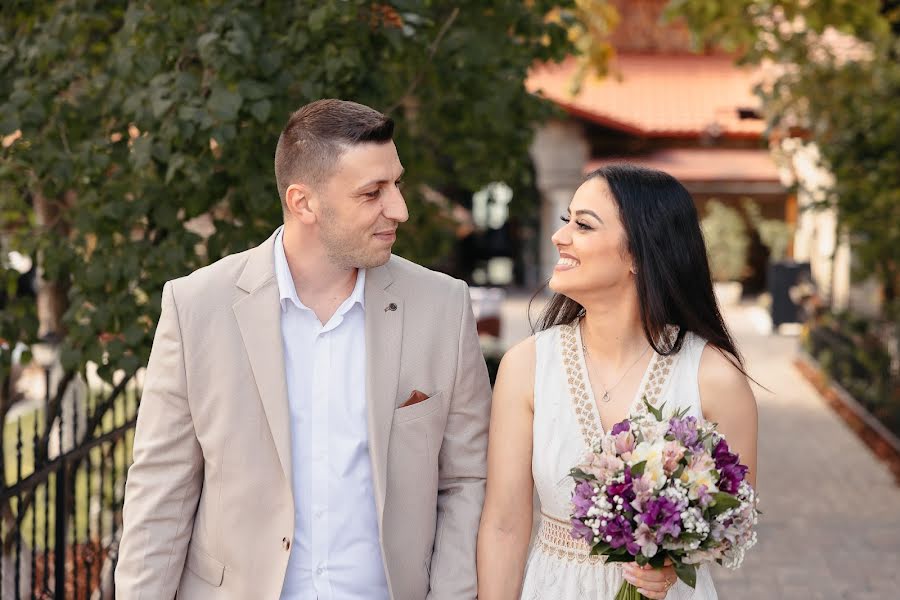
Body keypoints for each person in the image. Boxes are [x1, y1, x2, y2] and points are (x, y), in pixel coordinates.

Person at [115, 99, 491, 599]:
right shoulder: (196, 306)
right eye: (372, 192)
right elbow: (161, 492)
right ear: (303, 202)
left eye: (395, 184)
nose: (398, 208)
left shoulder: (443, 306)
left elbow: (466, 482)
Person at [477, 164, 758, 599]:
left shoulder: (714, 376)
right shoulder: (527, 365)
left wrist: (670, 561)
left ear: (638, 255)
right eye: (565, 220)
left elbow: (733, 522)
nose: (560, 236)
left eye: (583, 225)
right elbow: (503, 524)